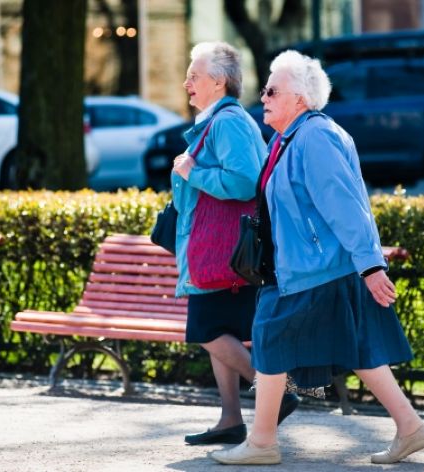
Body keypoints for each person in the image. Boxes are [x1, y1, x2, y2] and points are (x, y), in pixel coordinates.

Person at [211, 50, 424, 465]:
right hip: (310, 268)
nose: (262, 97)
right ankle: (411, 427)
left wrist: (370, 264)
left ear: (300, 98)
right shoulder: (289, 137)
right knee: (359, 350)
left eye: (272, 90)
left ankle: (262, 442)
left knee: (270, 337)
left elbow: (345, 204)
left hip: (314, 270)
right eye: (264, 90)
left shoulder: (314, 137)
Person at [172, 41, 299, 446]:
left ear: (219, 81)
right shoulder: (217, 121)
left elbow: (244, 181)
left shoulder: (228, 122)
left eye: (194, 75)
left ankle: (274, 394)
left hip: (222, 252)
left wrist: (194, 172)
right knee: (220, 329)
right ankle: (230, 418)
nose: (186, 82)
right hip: (219, 251)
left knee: (206, 329)